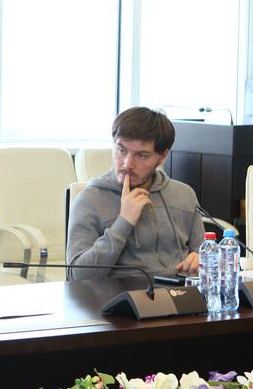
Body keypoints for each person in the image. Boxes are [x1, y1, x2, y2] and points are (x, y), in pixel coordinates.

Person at [67, 107, 204, 280]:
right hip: (118, 294)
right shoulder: (90, 200)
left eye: (142, 156)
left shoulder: (184, 195)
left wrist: (200, 260)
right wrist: (124, 222)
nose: (127, 164)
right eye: (121, 150)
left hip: (177, 293)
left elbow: (203, 254)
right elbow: (77, 276)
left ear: (162, 157)